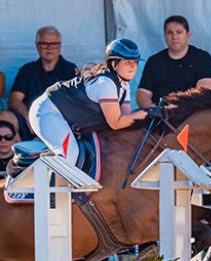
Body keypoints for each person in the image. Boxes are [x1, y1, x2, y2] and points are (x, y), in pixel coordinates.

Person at [29, 38, 151, 166]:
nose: (133, 66)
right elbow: (116, 123)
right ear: (114, 63)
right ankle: (51, 185)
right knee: (70, 154)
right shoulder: (105, 84)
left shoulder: (124, 86)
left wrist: (148, 115)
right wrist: (146, 112)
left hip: (65, 116)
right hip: (47, 112)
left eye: (135, 62)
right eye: (127, 62)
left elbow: (126, 120)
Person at [9, 26, 77, 138]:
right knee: (6, 117)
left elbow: (75, 100)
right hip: (29, 121)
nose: (49, 48)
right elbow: (14, 100)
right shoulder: (27, 70)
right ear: (37, 46)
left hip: (60, 119)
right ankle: (19, 154)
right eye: (44, 44)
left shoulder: (70, 70)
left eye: (53, 44)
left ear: (60, 46)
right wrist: (28, 116)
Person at [136, 15, 211, 109]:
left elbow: (204, 90)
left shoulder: (202, 58)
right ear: (165, 36)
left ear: (188, 35)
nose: (174, 37)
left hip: (192, 113)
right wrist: (151, 109)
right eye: (170, 33)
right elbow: (143, 93)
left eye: (179, 32)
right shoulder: (154, 61)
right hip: (159, 113)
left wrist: (178, 107)